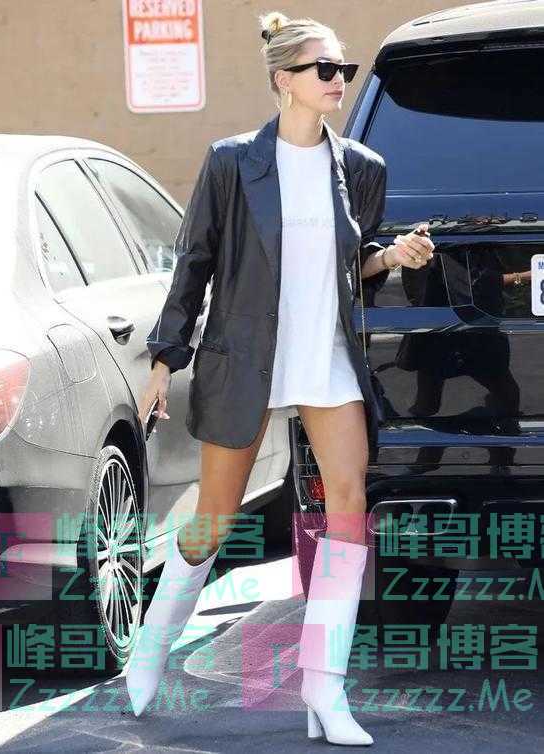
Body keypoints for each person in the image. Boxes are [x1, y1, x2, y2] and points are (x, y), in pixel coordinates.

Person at [126, 10, 434, 746]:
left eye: (344, 69)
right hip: (246, 354)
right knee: (215, 518)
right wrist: (165, 359)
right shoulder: (232, 162)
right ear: (283, 79)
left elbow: (348, 270)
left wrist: (391, 257)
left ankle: (324, 687)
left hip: (326, 355)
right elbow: (194, 263)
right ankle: (151, 645)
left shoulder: (362, 168)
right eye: (325, 69)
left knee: (349, 506)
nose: (338, 80)